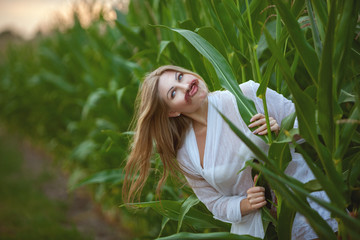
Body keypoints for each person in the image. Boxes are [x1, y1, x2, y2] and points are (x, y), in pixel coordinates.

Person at [123, 65, 338, 239]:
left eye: (180, 76)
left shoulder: (247, 94)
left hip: (311, 204)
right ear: (172, 111)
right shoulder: (186, 154)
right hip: (266, 231)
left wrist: (281, 130)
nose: (185, 86)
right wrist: (244, 204)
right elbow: (215, 203)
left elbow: (310, 125)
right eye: (173, 92)